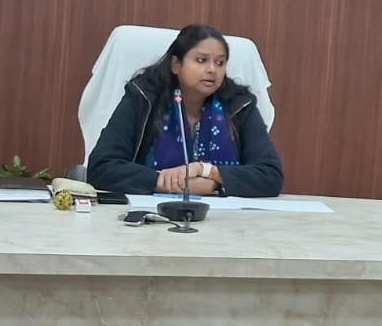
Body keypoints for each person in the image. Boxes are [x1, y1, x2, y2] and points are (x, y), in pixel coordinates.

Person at [87, 24, 283, 197]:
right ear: (176, 65)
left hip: (226, 219)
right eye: (201, 60)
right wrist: (162, 181)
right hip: (148, 213)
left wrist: (211, 176)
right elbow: (101, 167)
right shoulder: (144, 97)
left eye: (220, 63)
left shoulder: (238, 104)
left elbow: (271, 175)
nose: (212, 70)